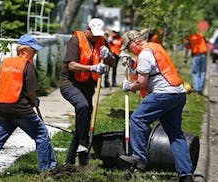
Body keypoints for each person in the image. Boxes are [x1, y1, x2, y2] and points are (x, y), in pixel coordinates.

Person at [0, 34, 57, 181]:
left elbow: (6, 84)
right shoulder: (27, 65)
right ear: (24, 50)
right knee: (42, 135)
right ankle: (48, 170)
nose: (35, 53)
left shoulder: (5, 63)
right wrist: (34, 101)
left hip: (0, 107)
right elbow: (31, 92)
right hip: (19, 108)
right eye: (33, 50)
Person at [119, 30, 194, 182]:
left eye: (129, 47)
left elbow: (141, 83)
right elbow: (154, 70)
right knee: (175, 134)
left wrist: (128, 86)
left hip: (163, 94)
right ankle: (186, 174)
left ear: (134, 42)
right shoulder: (155, 47)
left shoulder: (145, 54)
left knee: (137, 119)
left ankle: (139, 159)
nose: (130, 51)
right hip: (178, 94)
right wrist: (133, 65)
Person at [59, 18, 110, 166]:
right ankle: (83, 143)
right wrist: (92, 68)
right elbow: (72, 65)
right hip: (70, 83)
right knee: (83, 106)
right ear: (87, 29)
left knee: (84, 120)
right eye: (93, 34)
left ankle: (71, 162)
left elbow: (111, 62)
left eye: (97, 35)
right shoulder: (76, 40)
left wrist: (109, 57)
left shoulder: (102, 42)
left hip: (88, 85)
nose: (95, 37)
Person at [184, 31, 208, 95]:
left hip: (196, 56)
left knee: (195, 72)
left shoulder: (189, 37)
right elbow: (206, 44)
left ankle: (197, 88)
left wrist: (185, 58)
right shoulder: (201, 35)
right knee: (202, 72)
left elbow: (187, 48)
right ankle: (200, 88)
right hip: (203, 55)